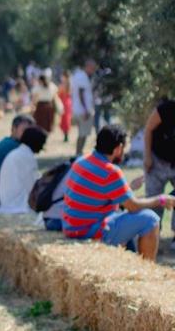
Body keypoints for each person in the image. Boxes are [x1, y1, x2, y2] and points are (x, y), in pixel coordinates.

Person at [62, 124, 175, 262]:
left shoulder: (81, 161)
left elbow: (99, 195)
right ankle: (146, 270)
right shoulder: (110, 171)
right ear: (118, 148)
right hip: (88, 231)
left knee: (126, 218)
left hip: (71, 227)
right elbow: (133, 206)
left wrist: (129, 188)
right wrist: (160, 200)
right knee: (150, 219)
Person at [143, 96, 175, 248]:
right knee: (154, 200)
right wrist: (147, 155)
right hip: (156, 160)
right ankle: (152, 236)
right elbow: (148, 129)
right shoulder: (166, 108)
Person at [0, 126, 48, 213]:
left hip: (7, 203)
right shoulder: (26, 157)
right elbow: (33, 188)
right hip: (18, 205)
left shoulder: (16, 153)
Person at [71, 59, 97, 156]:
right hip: (82, 110)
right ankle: (78, 153)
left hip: (79, 109)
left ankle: (79, 153)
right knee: (83, 134)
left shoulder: (79, 75)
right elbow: (81, 93)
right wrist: (86, 109)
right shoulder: (82, 76)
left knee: (82, 133)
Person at [58, 70, 73, 142]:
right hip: (69, 103)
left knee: (64, 120)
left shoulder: (62, 85)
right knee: (67, 119)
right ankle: (66, 135)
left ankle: (66, 136)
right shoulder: (70, 84)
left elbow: (58, 94)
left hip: (63, 103)